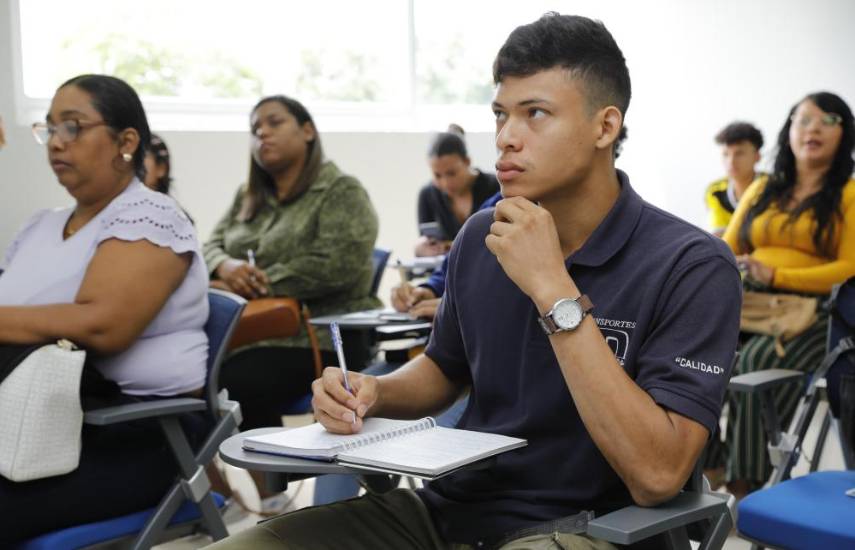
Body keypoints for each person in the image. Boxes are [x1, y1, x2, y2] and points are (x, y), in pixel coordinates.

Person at [209, 13, 741, 550]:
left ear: (605, 127)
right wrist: (374, 393)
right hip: (448, 512)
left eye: (535, 114)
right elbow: (445, 369)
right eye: (500, 114)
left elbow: (657, 475)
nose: (506, 138)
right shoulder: (481, 236)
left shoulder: (691, 264)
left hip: (591, 529)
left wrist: (553, 289)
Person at [0, 74, 208, 544]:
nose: (55, 142)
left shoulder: (149, 214)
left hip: (141, 433)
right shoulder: (41, 225)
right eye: (49, 129)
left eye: (72, 127)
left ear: (127, 141)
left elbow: (103, 325)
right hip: (39, 421)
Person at [202, 94, 380, 508]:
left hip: (323, 336)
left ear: (307, 130)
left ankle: (274, 489)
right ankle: (262, 493)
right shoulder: (249, 196)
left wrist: (259, 284)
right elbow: (210, 245)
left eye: (273, 122)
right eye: (254, 128)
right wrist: (227, 266)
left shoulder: (339, 190)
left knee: (234, 378)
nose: (261, 132)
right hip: (257, 332)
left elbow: (339, 263)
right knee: (200, 373)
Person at [716, 92, 855, 498]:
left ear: (843, 134)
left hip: (814, 310)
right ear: (789, 130)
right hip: (748, 298)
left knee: (757, 360)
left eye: (827, 120)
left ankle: (751, 487)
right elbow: (728, 242)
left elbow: (850, 269)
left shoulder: (848, 195)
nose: (813, 128)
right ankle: (706, 471)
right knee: (693, 347)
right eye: (804, 119)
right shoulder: (763, 189)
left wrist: (778, 272)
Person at [415, 129, 499, 256]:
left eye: (451, 173)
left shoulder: (495, 187)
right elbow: (426, 240)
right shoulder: (427, 195)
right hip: (445, 271)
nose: (445, 183)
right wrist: (421, 249)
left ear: (467, 161)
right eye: (437, 175)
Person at [704, 122, 765, 236]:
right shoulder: (715, 192)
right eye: (725, 154)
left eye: (739, 153)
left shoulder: (773, 187)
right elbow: (717, 234)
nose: (731, 161)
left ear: (757, 156)